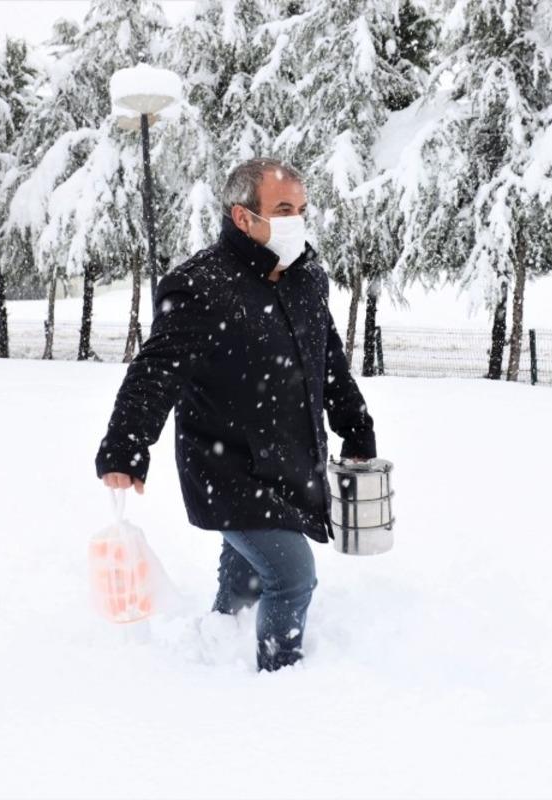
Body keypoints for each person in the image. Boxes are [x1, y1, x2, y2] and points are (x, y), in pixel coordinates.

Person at [95, 158, 378, 672]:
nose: (298, 220)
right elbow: (156, 370)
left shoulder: (307, 277)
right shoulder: (200, 285)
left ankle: (218, 651)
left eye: (303, 209)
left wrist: (356, 426)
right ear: (242, 217)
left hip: (291, 462)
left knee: (249, 574)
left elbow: (328, 359)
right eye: (284, 209)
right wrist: (125, 444)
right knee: (291, 575)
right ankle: (278, 678)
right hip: (225, 468)